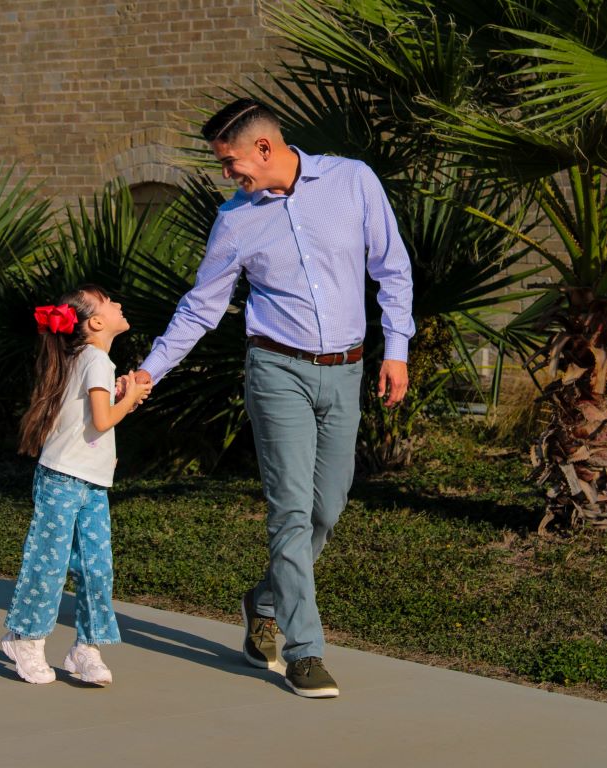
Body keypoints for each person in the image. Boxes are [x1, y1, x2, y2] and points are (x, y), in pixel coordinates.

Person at [135, 98, 414, 698]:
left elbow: (391, 267)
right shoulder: (235, 220)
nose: (229, 177)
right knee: (289, 509)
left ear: (264, 148)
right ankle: (304, 650)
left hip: (346, 370)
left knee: (327, 509)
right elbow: (200, 309)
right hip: (276, 370)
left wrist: (398, 348)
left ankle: (263, 599)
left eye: (232, 164)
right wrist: (149, 372)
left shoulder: (352, 181)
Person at [1, 285, 151, 686]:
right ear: (97, 322)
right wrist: (132, 394)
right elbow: (103, 422)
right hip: (64, 477)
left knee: (97, 568)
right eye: (109, 301)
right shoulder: (96, 360)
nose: (119, 302)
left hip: (91, 481)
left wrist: (123, 396)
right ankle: (25, 639)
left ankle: (86, 648)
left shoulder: (86, 358)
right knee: (48, 562)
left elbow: (89, 416)